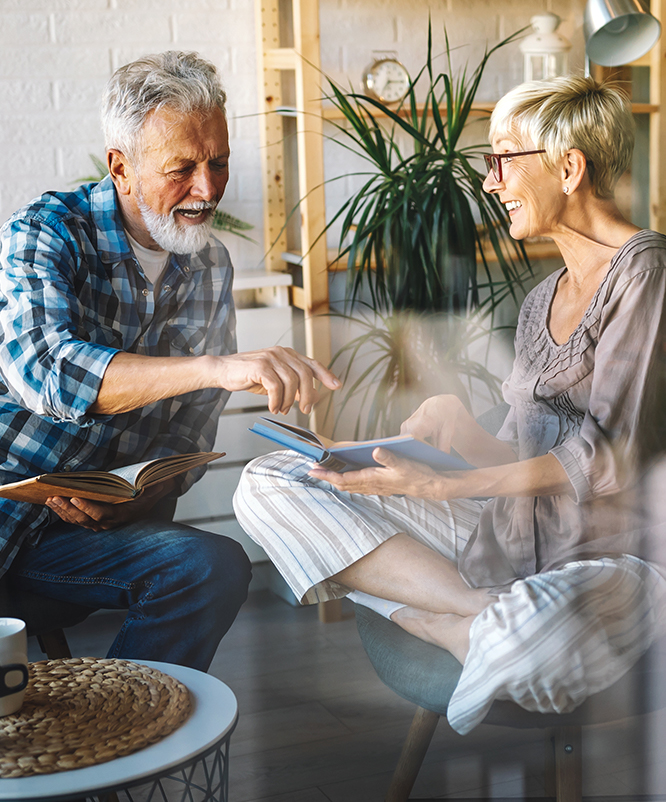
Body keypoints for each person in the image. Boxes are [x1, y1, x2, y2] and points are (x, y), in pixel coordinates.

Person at [233, 75, 666, 733]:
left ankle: (452, 622)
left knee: (530, 642)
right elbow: (528, 454)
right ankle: (468, 614)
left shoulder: (647, 272)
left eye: (501, 160)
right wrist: (464, 436)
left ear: (568, 167)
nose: (490, 184)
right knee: (270, 484)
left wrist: (449, 481)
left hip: (616, 554)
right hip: (513, 536)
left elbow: (608, 457)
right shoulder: (539, 299)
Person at [0, 51, 340, 671]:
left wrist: (133, 502)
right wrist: (216, 366)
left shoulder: (210, 267)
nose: (207, 190)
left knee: (212, 567)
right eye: (181, 168)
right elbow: (47, 371)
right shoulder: (45, 232)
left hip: (82, 539)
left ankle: (123, 733)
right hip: (3, 513)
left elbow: (188, 434)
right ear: (121, 168)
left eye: (219, 162)